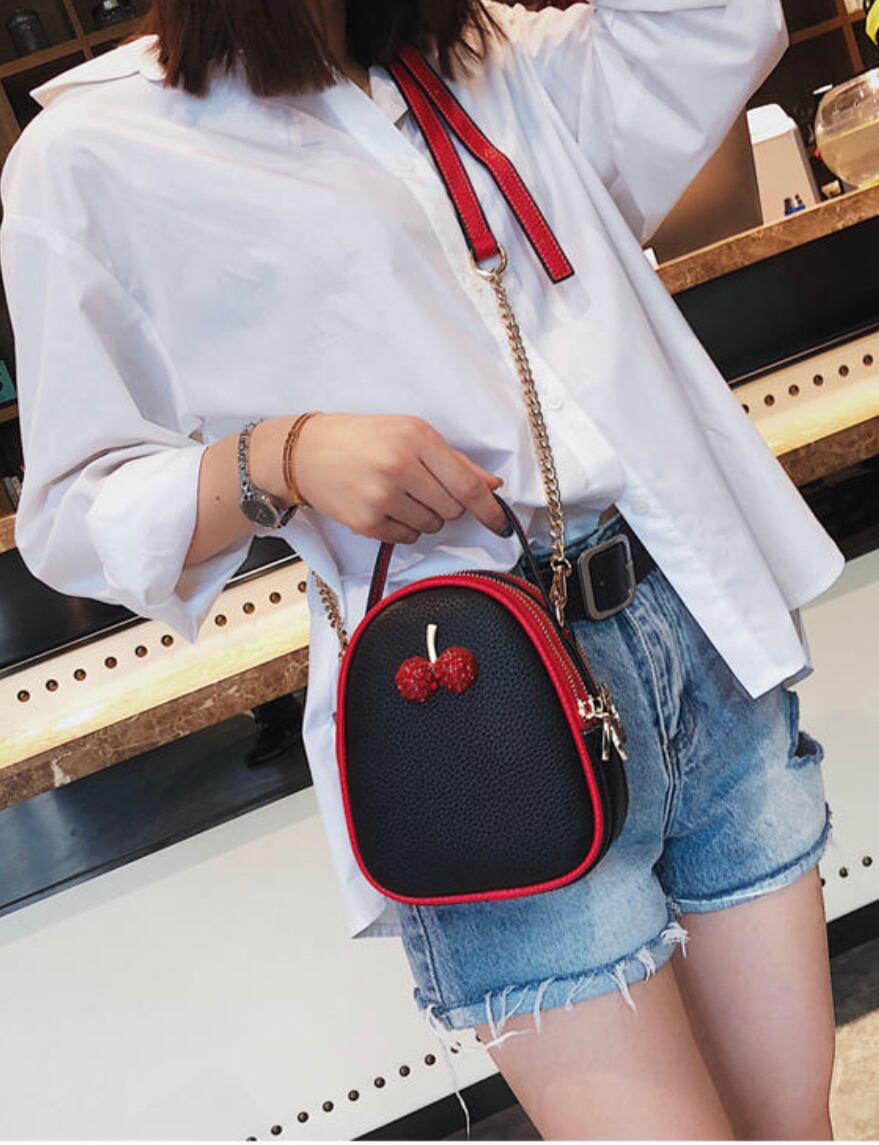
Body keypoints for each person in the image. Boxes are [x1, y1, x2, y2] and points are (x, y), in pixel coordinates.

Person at [0, 0, 845, 1137]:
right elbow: (71, 510)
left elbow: (715, 21)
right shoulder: (100, 148)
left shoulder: (488, 52)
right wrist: (280, 456)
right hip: (478, 702)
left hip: (690, 629)